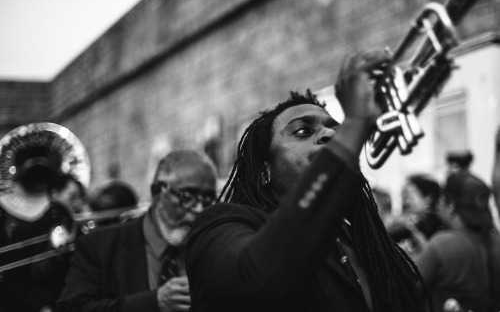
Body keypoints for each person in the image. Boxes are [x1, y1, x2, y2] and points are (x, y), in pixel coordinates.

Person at [186, 52, 431, 312]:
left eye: (335, 129)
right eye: (302, 131)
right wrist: (355, 122)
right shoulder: (219, 225)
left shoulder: (363, 239)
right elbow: (258, 280)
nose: (329, 134)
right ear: (263, 171)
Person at [57, 150, 218, 312]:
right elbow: (71, 308)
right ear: (157, 192)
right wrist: (152, 303)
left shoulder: (212, 249)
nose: (199, 209)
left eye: (208, 199)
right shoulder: (99, 246)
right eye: (187, 196)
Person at [415, 172, 500, 312]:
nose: (438, 205)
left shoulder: (443, 244)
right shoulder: (497, 243)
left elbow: (403, 288)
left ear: (452, 206)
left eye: (442, 199)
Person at [387, 174, 445, 258]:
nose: (406, 200)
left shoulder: (434, 223)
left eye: (410, 195)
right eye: (404, 196)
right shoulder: (411, 220)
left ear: (428, 197)